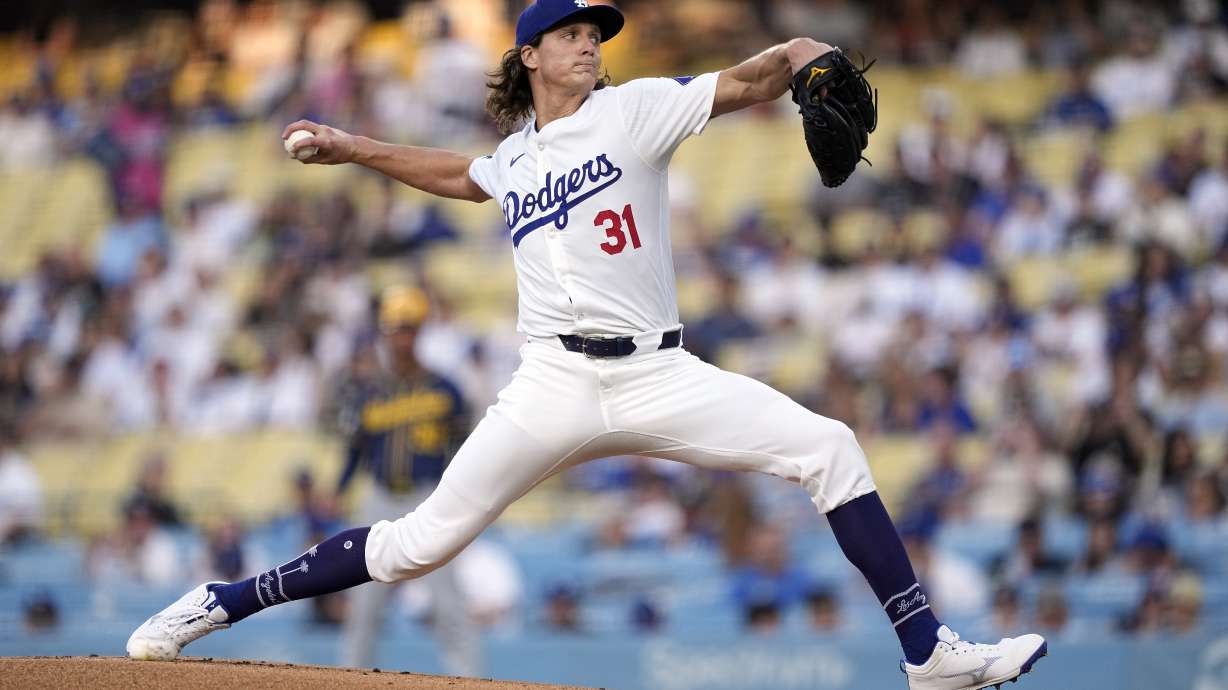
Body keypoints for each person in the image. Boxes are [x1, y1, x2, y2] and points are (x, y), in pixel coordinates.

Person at [127, 2, 1047, 688]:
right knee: (414, 546)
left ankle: (926, 650)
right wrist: (353, 146)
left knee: (831, 447)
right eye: (571, 33)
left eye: (595, 33)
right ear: (530, 55)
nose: (590, 42)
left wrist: (804, 53)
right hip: (553, 381)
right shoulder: (516, 157)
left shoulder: (636, 109)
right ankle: (217, 602)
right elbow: (460, 172)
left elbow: (751, 80)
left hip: (658, 370)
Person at [330, 285, 479, 675]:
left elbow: (469, 449)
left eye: (409, 328)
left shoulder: (446, 390)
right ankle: (351, 678)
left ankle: (468, 679)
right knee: (364, 602)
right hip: (379, 498)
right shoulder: (369, 392)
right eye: (395, 329)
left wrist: (460, 499)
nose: (401, 337)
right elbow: (355, 450)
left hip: (427, 498)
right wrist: (339, 489)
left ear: (420, 330)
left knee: (447, 600)